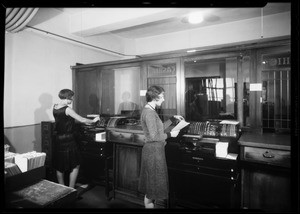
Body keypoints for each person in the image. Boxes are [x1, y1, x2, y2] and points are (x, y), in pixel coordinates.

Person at [138, 85, 184, 208]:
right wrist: (170, 134)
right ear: (155, 97)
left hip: (155, 152)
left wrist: (172, 119)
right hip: (153, 153)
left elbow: (158, 129)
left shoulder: (150, 110)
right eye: (162, 97)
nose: (163, 99)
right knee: (151, 190)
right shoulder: (149, 113)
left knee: (152, 189)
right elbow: (153, 137)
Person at [52, 89, 100, 188]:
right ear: (66, 97)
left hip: (58, 138)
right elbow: (81, 119)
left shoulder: (55, 107)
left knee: (60, 165)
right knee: (75, 164)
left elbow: (64, 120)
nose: (72, 99)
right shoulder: (67, 109)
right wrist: (94, 120)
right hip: (68, 139)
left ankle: (62, 188)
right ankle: (71, 188)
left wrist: (81, 122)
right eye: (71, 97)